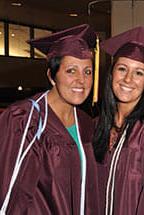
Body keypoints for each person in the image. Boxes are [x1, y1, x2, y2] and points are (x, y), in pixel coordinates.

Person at [0, 24, 99, 215]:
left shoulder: (87, 124)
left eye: (87, 72)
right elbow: (7, 190)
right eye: (71, 71)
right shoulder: (24, 119)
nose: (81, 80)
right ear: (52, 76)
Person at [92, 26, 144, 215]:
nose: (128, 79)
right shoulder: (95, 126)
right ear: (112, 73)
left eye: (139, 72)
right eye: (122, 69)